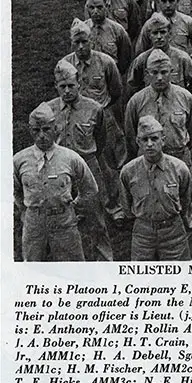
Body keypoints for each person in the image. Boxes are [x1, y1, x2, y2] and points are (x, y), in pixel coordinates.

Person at [14, 102, 98, 261]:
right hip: (34, 224)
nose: (41, 135)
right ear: (30, 131)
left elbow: (90, 188)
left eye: (46, 129)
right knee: (32, 268)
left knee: (73, 268)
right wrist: (25, 209)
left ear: (55, 128)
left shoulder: (70, 158)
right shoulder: (19, 160)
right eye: (36, 130)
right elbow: (13, 189)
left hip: (63, 221)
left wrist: (75, 206)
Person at [47, 60, 113, 261]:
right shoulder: (48, 110)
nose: (67, 91)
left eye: (71, 86)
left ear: (79, 85)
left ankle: (104, 261)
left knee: (95, 218)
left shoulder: (94, 108)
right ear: (56, 86)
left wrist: (89, 158)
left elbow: (101, 139)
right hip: (59, 170)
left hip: (87, 168)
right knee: (58, 216)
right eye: (62, 86)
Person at [61, 18, 126, 224]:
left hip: (101, 117)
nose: (81, 47)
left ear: (92, 41)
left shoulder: (105, 62)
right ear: (71, 43)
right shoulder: (64, 65)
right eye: (76, 43)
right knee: (75, 164)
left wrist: (101, 110)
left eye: (85, 42)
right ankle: (81, 207)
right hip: (74, 121)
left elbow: (116, 91)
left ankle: (114, 207)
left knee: (107, 164)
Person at [120, 116, 192, 260]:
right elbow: (126, 205)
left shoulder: (179, 169)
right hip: (143, 233)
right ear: (138, 142)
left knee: (178, 278)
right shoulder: (128, 172)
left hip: (173, 232)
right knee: (143, 278)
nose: (149, 144)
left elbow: (186, 200)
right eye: (144, 140)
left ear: (163, 140)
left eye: (154, 139)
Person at [124, 49, 192, 165]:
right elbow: (131, 136)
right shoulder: (136, 101)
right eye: (154, 72)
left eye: (164, 72)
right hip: (147, 161)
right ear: (147, 73)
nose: (159, 77)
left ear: (171, 71)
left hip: (179, 159)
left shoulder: (186, 98)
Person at [128, 13, 192, 103]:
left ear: (170, 34)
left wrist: (183, 98)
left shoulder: (182, 58)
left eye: (163, 32)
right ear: (149, 35)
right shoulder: (142, 60)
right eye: (155, 33)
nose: (159, 37)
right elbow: (132, 86)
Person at [84, 0, 133, 76]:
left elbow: (125, 56)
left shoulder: (117, 30)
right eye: (92, 8)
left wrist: (117, 74)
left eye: (99, 7)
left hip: (111, 75)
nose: (95, 11)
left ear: (106, 7)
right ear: (87, 9)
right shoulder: (83, 30)